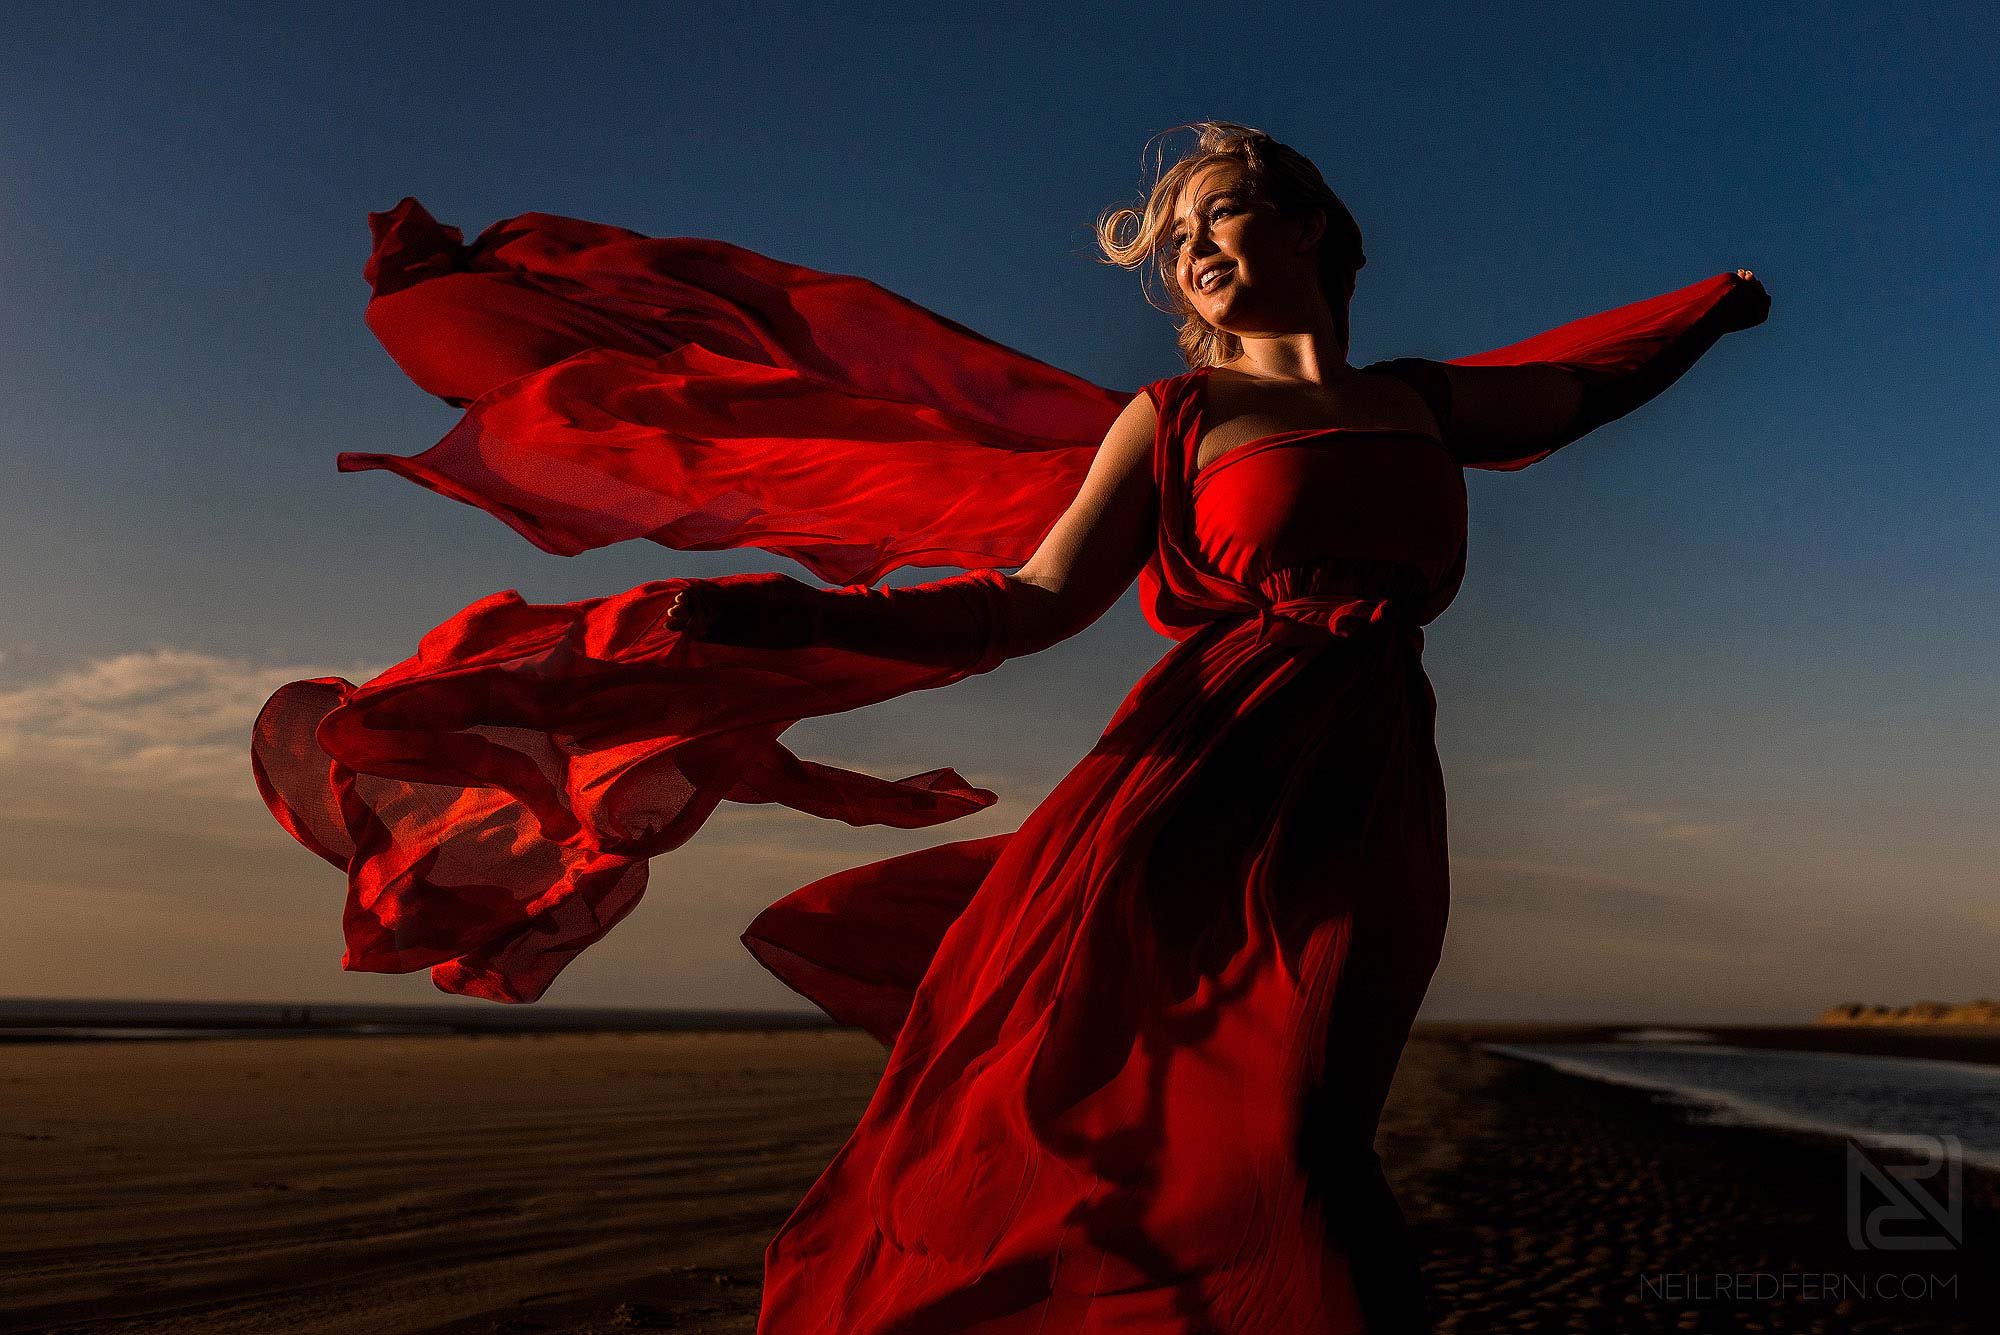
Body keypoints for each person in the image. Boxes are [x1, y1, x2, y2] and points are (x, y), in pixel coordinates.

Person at [249, 122, 1766, 1333]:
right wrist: (796, 614)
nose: (1195, 253)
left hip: (1374, 783)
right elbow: (1022, 608)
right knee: (1285, 1137)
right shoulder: (1170, 423)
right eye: (1175, 241)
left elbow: (1583, 382)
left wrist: (1718, 306)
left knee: (1322, 1122)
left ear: (1307, 223)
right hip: (1202, 780)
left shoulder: (1426, 406)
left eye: (1221, 216)